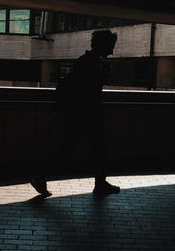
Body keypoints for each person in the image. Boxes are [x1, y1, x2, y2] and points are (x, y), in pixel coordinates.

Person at [31, 29, 121, 197]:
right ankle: (98, 183)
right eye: (110, 46)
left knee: (70, 149)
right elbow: (88, 91)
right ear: (103, 45)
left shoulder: (85, 61)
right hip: (86, 115)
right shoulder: (92, 64)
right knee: (94, 149)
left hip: (79, 114)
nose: (112, 50)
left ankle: (41, 177)